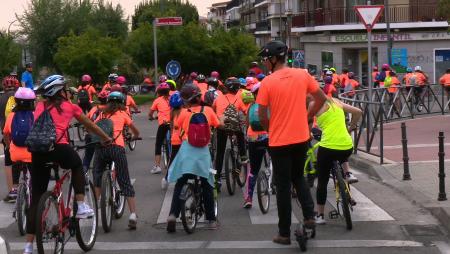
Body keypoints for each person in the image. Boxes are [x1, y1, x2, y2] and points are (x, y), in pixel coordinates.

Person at [23, 75, 111, 254]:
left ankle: (28, 247)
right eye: (64, 89)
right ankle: (81, 206)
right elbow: (90, 125)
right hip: (59, 148)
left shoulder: (39, 106)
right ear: (60, 91)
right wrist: (106, 137)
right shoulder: (70, 107)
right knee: (77, 164)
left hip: (38, 152)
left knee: (36, 199)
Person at [256, 40, 327, 245]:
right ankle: (309, 216)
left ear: (273, 59)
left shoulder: (267, 82)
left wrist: (272, 129)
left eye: (265, 59)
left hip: (279, 142)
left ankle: (284, 233)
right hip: (301, 138)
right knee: (299, 178)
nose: (264, 62)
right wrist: (307, 117)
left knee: (283, 186)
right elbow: (321, 98)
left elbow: (261, 115)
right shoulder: (302, 74)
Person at [166, 83, 221, 233]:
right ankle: (211, 220)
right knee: (207, 184)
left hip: (186, 153)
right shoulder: (208, 111)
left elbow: (177, 127)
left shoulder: (183, 113)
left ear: (186, 100)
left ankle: (172, 215)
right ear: (199, 96)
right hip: (203, 154)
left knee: (180, 182)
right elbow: (218, 124)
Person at [310, 97, 362, 224]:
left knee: (322, 181)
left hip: (328, 148)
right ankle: (348, 173)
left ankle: (320, 216)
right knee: (342, 151)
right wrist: (351, 127)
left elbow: (306, 121)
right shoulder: (336, 101)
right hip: (347, 146)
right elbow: (358, 112)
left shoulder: (313, 105)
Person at [93, 91, 140, 229]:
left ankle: (95, 209)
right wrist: (134, 136)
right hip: (116, 148)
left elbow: (93, 128)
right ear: (122, 103)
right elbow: (135, 131)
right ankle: (132, 215)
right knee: (124, 180)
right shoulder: (123, 114)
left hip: (101, 148)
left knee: (97, 178)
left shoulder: (101, 115)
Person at [212, 77, 247, 188]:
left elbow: (213, 109)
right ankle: (243, 156)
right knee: (240, 134)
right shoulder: (239, 99)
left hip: (221, 126)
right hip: (233, 126)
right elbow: (245, 112)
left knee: (220, 153)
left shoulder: (218, 98)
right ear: (237, 88)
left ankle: (216, 179)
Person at [2, 88, 35, 201]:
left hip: (16, 154)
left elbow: (6, 134)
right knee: (35, 169)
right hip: (31, 154)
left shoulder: (11, 116)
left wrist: (8, 146)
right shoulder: (35, 114)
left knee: (15, 160)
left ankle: (14, 189)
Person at [243, 83, 269, 208]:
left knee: (253, 170)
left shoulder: (251, 106)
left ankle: (249, 197)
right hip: (268, 136)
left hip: (253, 139)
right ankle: (274, 182)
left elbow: (247, 124)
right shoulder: (269, 105)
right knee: (279, 161)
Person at [0, 76, 20, 202]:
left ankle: (12, 191)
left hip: (7, 135)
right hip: (23, 134)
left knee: (8, 163)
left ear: (4, 86)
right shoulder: (21, 96)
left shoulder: (1, 98)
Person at [161, 91, 184, 190]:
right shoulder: (185, 112)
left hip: (175, 140)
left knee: (173, 160)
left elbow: (171, 127)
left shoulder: (172, 113)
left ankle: (166, 179)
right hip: (184, 140)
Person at [82, 90, 110, 172]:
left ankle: (84, 171)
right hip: (104, 136)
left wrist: (86, 129)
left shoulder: (94, 108)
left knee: (88, 156)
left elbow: (86, 120)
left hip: (90, 135)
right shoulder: (110, 110)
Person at [149, 83, 171, 174]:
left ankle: (157, 166)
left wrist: (151, 117)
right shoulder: (173, 98)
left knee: (158, 143)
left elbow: (150, 113)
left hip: (163, 124)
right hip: (173, 123)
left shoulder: (157, 100)